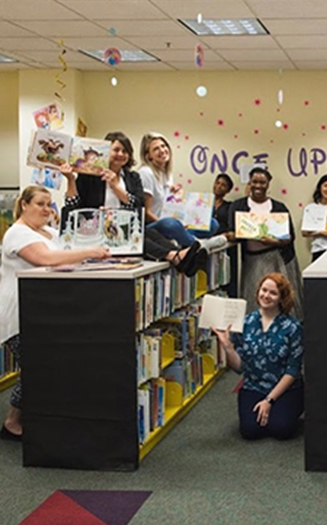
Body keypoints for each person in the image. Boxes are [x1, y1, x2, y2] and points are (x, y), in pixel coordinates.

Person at [1, 186, 109, 441]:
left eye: (50, 204)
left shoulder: (48, 231)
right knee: (39, 367)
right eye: (40, 203)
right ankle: (12, 422)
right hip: (19, 315)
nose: (47, 209)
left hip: (45, 311)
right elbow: (46, 259)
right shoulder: (17, 233)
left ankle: (28, 417)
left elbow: (67, 255)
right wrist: (90, 252)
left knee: (46, 366)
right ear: (24, 204)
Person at [60, 131, 207, 275]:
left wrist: (116, 187)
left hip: (124, 227)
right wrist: (71, 180)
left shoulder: (132, 177)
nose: (121, 154)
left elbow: (139, 207)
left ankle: (178, 255)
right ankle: (174, 256)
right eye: (116, 150)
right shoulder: (89, 176)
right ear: (104, 151)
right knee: (133, 235)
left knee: (149, 233)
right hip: (98, 231)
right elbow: (72, 206)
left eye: (125, 151)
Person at [213, 273, 304, 440]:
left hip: (285, 389)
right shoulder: (246, 322)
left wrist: (269, 400)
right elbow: (239, 367)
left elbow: (293, 371)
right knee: (250, 432)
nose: (266, 296)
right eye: (264, 290)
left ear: (281, 299)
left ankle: (290, 409)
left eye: (273, 293)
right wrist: (228, 348)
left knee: (281, 430)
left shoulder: (293, 327)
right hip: (253, 386)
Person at [228, 167, 304, 317]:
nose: (258, 186)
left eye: (262, 182)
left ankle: (284, 330)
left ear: (268, 184)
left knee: (280, 296)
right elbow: (231, 232)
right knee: (254, 295)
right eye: (254, 182)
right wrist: (240, 234)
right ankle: (256, 330)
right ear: (249, 183)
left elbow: (289, 237)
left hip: (276, 257)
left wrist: (274, 241)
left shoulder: (278, 208)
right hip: (252, 259)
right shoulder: (238, 206)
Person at [139, 132, 226, 249]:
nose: (162, 150)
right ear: (148, 156)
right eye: (156, 149)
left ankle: (183, 240)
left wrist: (177, 197)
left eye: (163, 146)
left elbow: (168, 206)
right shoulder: (146, 173)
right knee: (170, 224)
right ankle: (198, 245)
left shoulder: (166, 173)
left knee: (213, 223)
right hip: (154, 225)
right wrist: (176, 224)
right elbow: (146, 213)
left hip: (172, 223)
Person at [301, 174, 327, 261]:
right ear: (320, 188)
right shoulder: (310, 208)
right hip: (318, 250)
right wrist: (320, 233)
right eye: (325, 186)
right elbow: (304, 233)